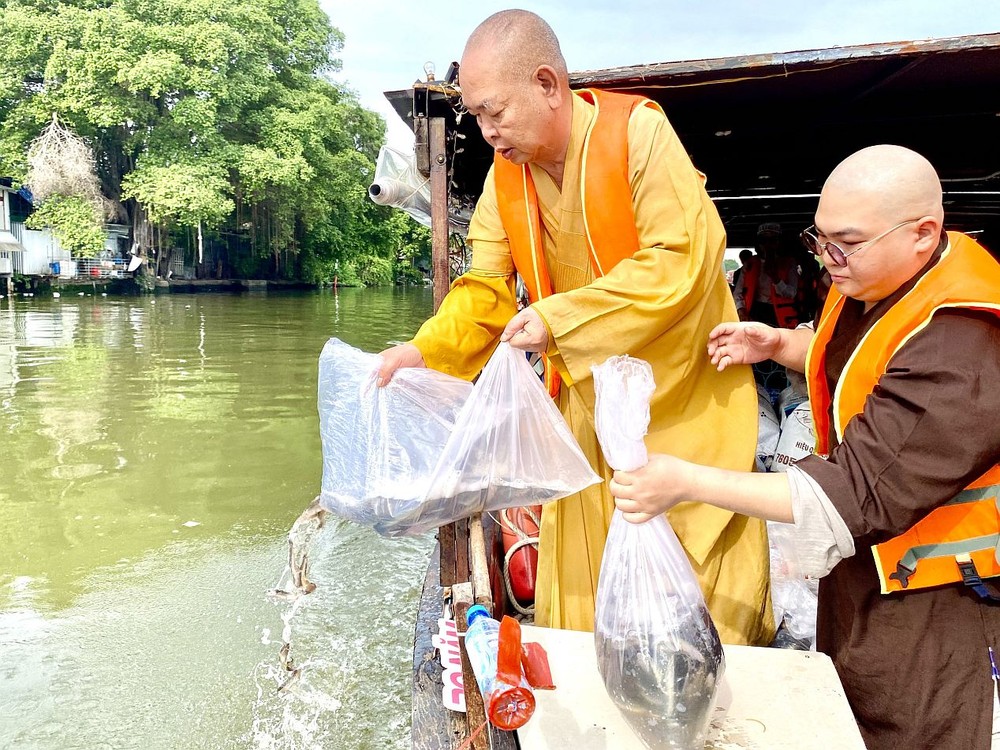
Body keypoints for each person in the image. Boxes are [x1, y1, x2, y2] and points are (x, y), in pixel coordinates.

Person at [377, 9, 772, 644]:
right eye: (474, 116)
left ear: (547, 84)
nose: (485, 133)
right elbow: (485, 286)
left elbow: (681, 261)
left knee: (700, 593)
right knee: (587, 588)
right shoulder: (506, 178)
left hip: (683, 400)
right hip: (586, 404)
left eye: (493, 112)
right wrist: (424, 351)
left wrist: (557, 318)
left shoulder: (636, 133)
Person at [609, 144, 1000, 750]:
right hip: (865, 570)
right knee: (847, 705)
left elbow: (847, 498)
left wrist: (683, 482)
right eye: (818, 239)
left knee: (911, 729)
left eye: (846, 242)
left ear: (924, 233)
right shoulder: (878, 278)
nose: (828, 259)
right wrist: (781, 345)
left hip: (936, 598)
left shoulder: (963, 345)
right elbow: (859, 360)